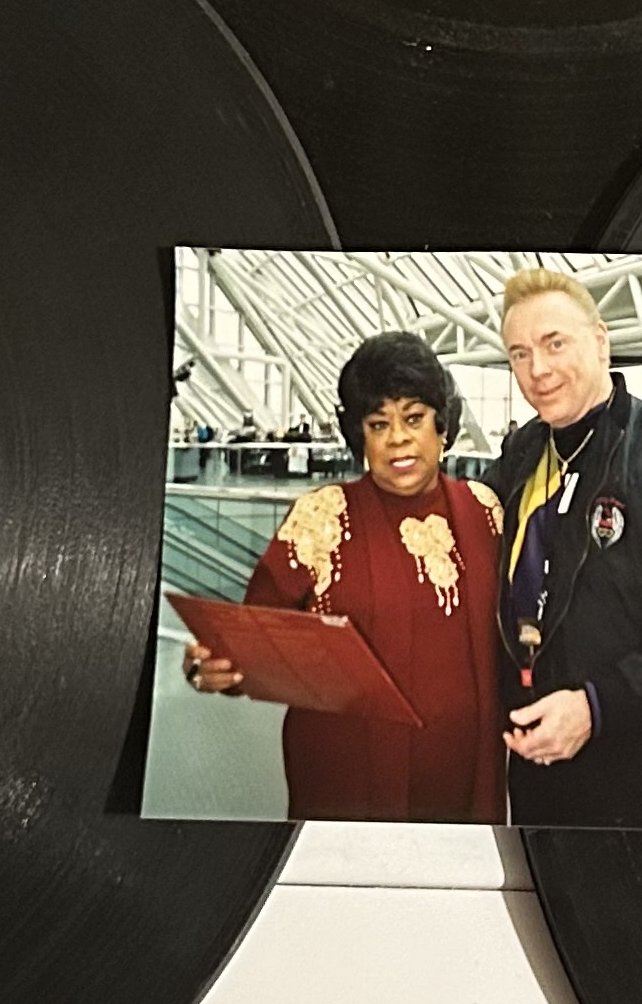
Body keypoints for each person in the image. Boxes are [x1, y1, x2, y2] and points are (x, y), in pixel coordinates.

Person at [184, 332, 504, 822]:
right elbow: (252, 640)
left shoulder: (484, 512)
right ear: (360, 437)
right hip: (346, 779)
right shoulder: (321, 518)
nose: (397, 438)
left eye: (414, 418)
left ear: (442, 426)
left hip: (464, 780)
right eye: (378, 424)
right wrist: (208, 666)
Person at [485, 268, 642, 827]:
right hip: (540, 770)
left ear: (599, 341)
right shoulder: (523, 456)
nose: (537, 370)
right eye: (520, 354)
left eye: (554, 344)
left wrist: (598, 706)